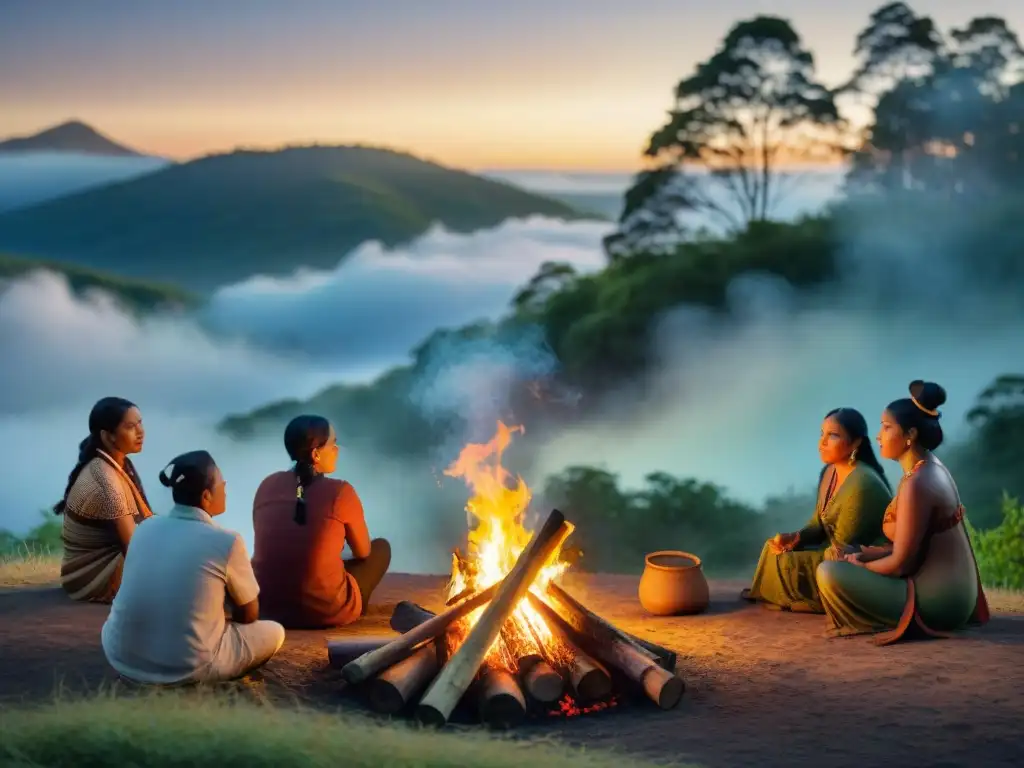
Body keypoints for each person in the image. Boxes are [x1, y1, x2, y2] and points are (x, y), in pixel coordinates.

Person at [816, 381, 990, 643]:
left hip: (938, 600)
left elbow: (901, 564)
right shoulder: (926, 467)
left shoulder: (917, 482)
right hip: (951, 591)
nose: (878, 436)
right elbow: (919, 541)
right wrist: (868, 554)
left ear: (910, 435)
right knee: (850, 554)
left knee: (829, 572)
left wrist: (862, 564)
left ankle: (870, 619)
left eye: (886, 427)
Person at [101, 451, 285, 685]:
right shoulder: (227, 541)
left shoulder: (145, 528)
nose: (225, 486)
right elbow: (249, 615)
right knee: (274, 632)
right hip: (188, 667)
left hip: (121, 656)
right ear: (206, 496)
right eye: (221, 481)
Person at [742, 407, 892, 613]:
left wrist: (797, 554)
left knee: (786, 561)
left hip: (853, 561)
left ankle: (815, 598)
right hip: (831, 550)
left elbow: (844, 548)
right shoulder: (829, 472)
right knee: (773, 547)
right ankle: (783, 594)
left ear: (856, 442)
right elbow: (817, 525)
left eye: (833, 435)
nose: (822, 443)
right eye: (822, 434)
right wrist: (796, 538)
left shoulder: (862, 483)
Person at [251, 415, 391, 628]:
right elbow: (363, 552)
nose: (337, 450)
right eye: (333, 445)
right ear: (316, 454)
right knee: (380, 549)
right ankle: (355, 608)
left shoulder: (266, 485)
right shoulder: (341, 492)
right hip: (324, 612)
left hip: (267, 608)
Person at [54, 397, 154, 603]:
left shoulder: (115, 465)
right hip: (94, 580)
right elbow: (135, 548)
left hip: (94, 572)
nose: (140, 432)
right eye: (130, 426)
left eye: (140, 423)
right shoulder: (106, 481)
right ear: (108, 437)